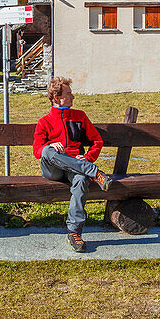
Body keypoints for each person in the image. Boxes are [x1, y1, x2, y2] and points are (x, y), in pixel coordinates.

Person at [32, 76, 113, 253]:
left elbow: (96, 141)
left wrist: (89, 157)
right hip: (53, 170)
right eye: (69, 94)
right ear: (56, 97)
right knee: (47, 152)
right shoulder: (44, 122)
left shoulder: (80, 116)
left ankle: (74, 232)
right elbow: (37, 150)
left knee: (81, 180)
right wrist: (50, 145)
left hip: (75, 167)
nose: (73, 97)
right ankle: (93, 172)